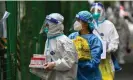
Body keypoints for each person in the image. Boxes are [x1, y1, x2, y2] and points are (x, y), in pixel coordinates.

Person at [40, 13, 78, 80]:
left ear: (55, 25)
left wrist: (54, 64)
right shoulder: (49, 40)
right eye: (46, 23)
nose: (46, 26)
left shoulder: (65, 41)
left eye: (48, 24)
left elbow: (69, 61)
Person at [90, 2, 121, 80]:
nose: (95, 13)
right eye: (93, 11)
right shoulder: (88, 25)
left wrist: (109, 48)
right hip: (91, 61)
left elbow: (115, 40)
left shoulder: (109, 25)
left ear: (103, 11)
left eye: (98, 11)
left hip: (106, 61)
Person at [69, 11, 103, 80]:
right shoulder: (72, 36)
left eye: (79, 20)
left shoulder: (94, 40)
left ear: (86, 24)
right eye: (76, 20)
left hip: (90, 77)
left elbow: (93, 63)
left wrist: (78, 62)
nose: (76, 22)